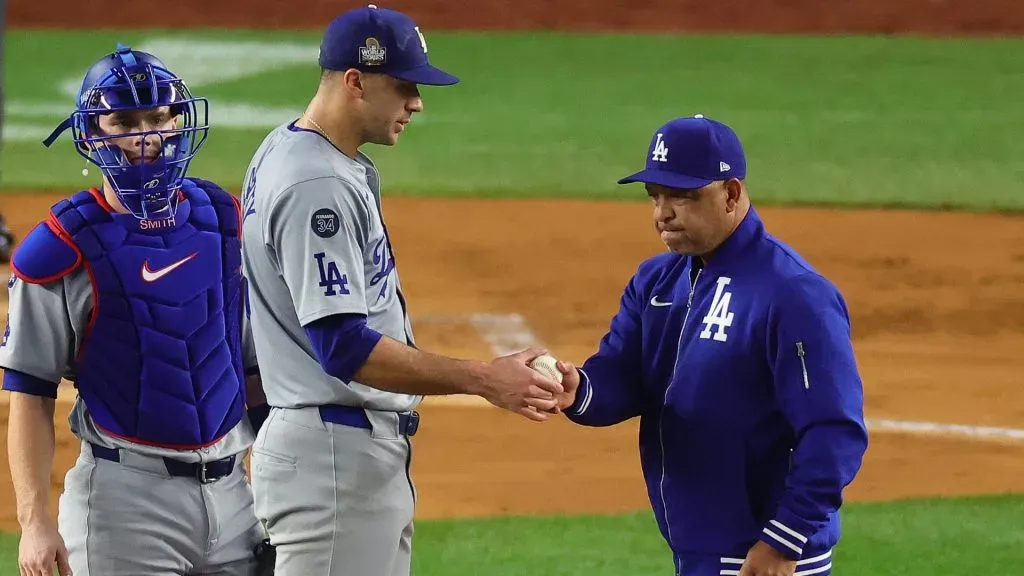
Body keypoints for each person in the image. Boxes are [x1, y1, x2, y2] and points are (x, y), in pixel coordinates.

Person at [238, 5, 564, 575]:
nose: (417, 102)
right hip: (334, 461)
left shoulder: (293, 150)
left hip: (337, 453)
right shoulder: (319, 185)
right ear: (355, 81)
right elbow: (342, 346)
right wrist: (484, 379)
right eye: (404, 86)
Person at [547, 115, 869, 576]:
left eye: (683, 195)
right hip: (700, 547)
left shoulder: (793, 294)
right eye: (655, 195)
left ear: (732, 194)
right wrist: (578, 388)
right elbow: (625, 375)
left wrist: (783, 541)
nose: (663, 212)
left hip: (762, 555)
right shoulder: (656, 280)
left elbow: (834, 431)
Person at [1, 44, 272, 576]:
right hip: (124, 507)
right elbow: (29, 393)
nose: (145, 135)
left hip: (236, 498)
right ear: (90, 134)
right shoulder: (61, 248)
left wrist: (279, 477)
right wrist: (34, 521)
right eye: (123, 121)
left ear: (178, 121)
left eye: (157, 117)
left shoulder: (225, 221)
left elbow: (253, 369)